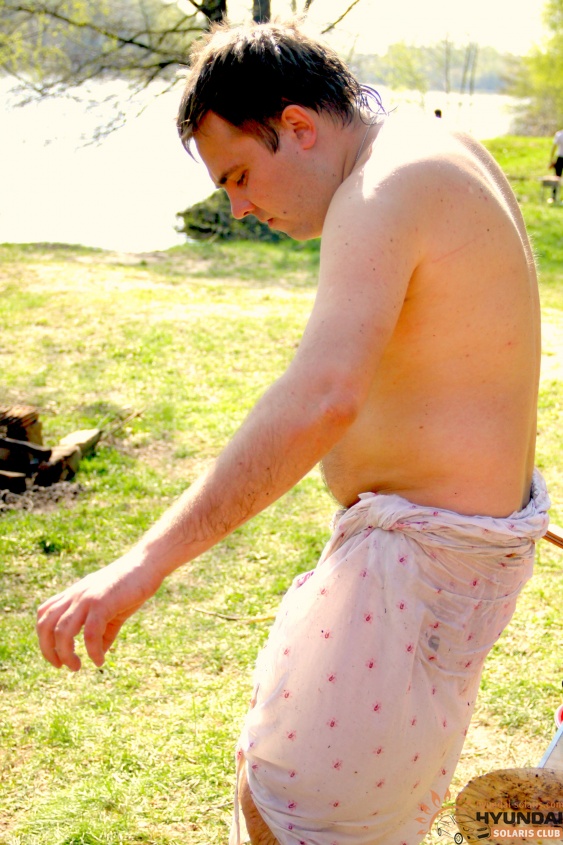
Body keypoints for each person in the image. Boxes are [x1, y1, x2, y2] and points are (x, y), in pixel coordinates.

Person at [36, 20, 550, 845]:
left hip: (418, 567)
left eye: (239, 175)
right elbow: (481, 354)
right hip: (450, 553)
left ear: (298, 125)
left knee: (294, 814)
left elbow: (322, 398)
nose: (238, 207)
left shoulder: (384, 186)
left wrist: (144, 562)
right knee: (297, 800)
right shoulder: (438, 149)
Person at [549, 127, 563, 201]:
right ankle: (553, 197)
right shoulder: (559, 134)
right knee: (556, 177)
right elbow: (554, 147)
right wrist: (551, 159)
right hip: (560, 158)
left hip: (560, 159)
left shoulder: (559, 134)